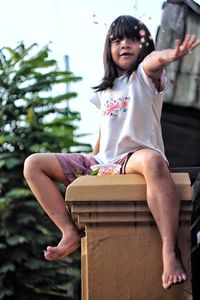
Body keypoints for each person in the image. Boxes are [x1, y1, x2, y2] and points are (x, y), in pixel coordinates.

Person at [23, 15, 200, 289]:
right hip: (102, 162)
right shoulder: (105, 91)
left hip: (135, 157)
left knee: (153, 161)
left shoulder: (144, 76)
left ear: (144, 46)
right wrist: (86, 160)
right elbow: (104, 132)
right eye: (116, 40)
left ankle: (169, 251)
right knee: (33, 164)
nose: (124, 45)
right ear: (108, 48)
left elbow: (156, 60)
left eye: (132, 39)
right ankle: (69, 232)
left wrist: (171, 54)